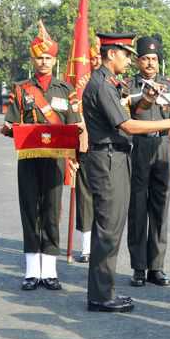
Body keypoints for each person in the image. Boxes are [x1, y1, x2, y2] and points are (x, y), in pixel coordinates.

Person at [82, 32, 170, 313]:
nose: (131, 60)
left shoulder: (109, 83)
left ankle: (105, 290)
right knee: (109, 228)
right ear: (112, 54)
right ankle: (101, 295)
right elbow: (129, 125)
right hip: (109, 158)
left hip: (120, 157)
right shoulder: (103, 85)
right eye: (127, 54)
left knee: (115, 226)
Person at [1, 21, 81, 291]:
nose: (43, 62)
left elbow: (75, 124)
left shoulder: (66, 90)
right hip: (28, 158)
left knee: (51, 212)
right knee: (29, 212)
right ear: (33, 59)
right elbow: (10, 123)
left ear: (55, 59)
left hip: (56, 160)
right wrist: (10, 129)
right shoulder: (21, 89)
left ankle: (50, 270)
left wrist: (77, 156)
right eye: (39, 57)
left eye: (48, 57)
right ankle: (31, 271)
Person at [125, 36, 170, 287]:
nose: (150, 63)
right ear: (137, 61)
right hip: (137, 148)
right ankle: (138, 267)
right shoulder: (128, 86)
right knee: (138, 209)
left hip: (163, 148)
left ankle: (156, 267)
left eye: (154, 59)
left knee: (160, 210)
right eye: (145, 58)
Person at [74, 36, 102, 263]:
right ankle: (86, 245)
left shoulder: (115, 84)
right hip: (85, 146)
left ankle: (102, 243)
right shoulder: (80, 83)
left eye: (99, 57)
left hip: (110, 149)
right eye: (91, 58)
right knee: (85, 198)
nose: (95, 61)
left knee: (107, 199)